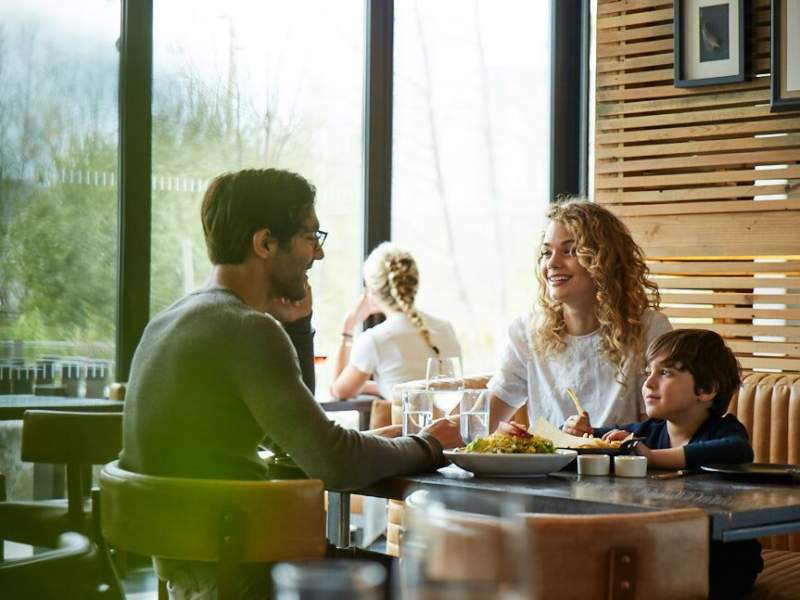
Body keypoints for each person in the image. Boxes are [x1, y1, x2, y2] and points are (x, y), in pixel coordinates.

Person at [119, 168, 461, 599]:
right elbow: (334, 462)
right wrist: (429, 444)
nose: (317, 254)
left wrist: (299, 327)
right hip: (246, 573)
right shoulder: (245, 329)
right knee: (444, 575)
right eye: (310, 236)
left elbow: (291, 442)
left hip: (193, 571)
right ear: (265, 243)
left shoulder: (173, 320)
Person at [564, 328, 763, 598]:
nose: (648, 383)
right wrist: (579, 432)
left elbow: (736, 450)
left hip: (720, 561)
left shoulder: (724, 431)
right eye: (649, 372)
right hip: (664, 553)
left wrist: (651, 456)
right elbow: (600, 437)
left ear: (706, 389)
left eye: (666, 373)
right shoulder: (650, 431)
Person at [488, 199, 672, 431]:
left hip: (622, 465)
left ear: (604, 261)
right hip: (545, 467)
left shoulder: (649, 329)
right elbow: (480, 421)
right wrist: (430, 441)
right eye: (546, 252)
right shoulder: (526, 333)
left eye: (570, 251)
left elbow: (658, 433)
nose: (552, 263)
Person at [330, 242, 462, 400]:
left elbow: (338, 391)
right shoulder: (445, 328)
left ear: (372, 291)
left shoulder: (374, 340)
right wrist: (381, 386)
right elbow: (422, 387)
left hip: (408, 425)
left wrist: (349, 325)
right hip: (453, 425)